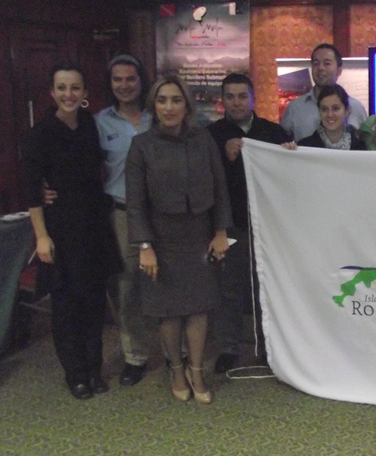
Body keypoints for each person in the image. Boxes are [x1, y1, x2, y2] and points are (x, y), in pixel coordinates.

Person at [126, 75, 232, 404]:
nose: (169, 107)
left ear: (186, 105)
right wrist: (145, 246)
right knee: (169, 311)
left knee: (199, 308)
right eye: (162, 100)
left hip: (199, 235)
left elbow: (220, 188)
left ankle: (196, 370)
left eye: (176, 100)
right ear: (154, 106)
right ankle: (175, 368)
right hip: (161, 239)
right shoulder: (141, 145)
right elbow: (135, 202)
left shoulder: (203, 140)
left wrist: (221, 231)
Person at [23, 62, 122, 400]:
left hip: (93, 226)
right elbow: (32, 190)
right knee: (66, 306)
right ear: (52, 93)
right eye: (62, 88)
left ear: (84, 93)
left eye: (75, 87)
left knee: (94, 303)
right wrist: (41, 236)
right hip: (60, 229)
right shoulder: (39, 134)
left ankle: (94, 370)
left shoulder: (89, 125)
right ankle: (76, 375)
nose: (69, 94)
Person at [207, 73, 291, 374]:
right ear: (223, 101)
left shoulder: (273, 132)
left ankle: (269, 347)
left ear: (253, 98)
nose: (237, 102)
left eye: (242, 96)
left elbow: (287, 177)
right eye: (230, 97)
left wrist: (290, 154)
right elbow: (205, 179)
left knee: (266, 288)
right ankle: (229, 348)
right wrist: (223, 155)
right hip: (230, 225)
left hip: (268, 227)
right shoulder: (211, 136)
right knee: (228, 289)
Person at [94, 54, 154, 387]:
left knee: (169, 282)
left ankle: (178, 350)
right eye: (117, 79)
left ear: (141, 81)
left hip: (161, 213)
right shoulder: (100, 123)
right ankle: (135, 356)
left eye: (130, 78)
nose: (124, 85)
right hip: (121, 213)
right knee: (125, 288)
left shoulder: (158, 114)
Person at [280, 43, 368, 142]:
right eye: (316, 63)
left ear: (339, 70)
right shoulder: (295, 107)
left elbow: (365, 145)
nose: (320, 68)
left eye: (327, 63)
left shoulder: (356, 107)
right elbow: (282, 144)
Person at [295, 84, 367, 150]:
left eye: (335, 108)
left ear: (347, 111)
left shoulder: (360, 148)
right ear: (319, 112)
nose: (330, 114)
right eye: (324, 109)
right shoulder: (304, 147)